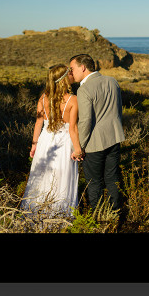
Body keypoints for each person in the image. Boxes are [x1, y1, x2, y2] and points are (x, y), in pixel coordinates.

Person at [20, 64, 82, 218]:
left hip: (45, 142)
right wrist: (78, 149)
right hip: (64, 143)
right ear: (63, 80)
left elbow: (38, 123)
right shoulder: (73, 99)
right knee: (61, 177)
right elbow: (72, 129)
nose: (71, 75)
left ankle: (36, 215)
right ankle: (60, 216)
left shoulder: (42, 98)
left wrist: (34, 145)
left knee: (42, 177)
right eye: (69, 73)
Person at [68, 54, 126, 214]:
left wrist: (78, 146)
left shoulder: (84, 89)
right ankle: (116, 214)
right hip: (115, 138)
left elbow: (85, 121)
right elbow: (118, 110)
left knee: (94, 183)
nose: (71, 73)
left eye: (72, 69)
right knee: (113, 179)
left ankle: (100, 218)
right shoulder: (112, 81)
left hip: (94, 144)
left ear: (83, 67)